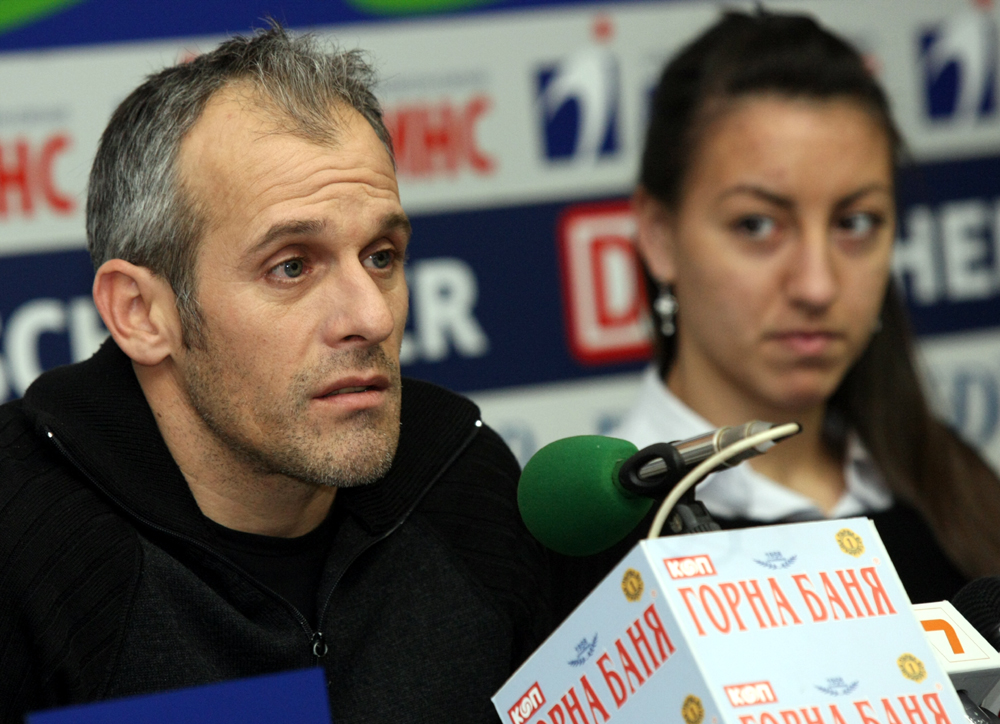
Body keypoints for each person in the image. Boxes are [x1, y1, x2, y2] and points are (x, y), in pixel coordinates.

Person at [0, 26, 549, 721]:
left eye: (381, 256)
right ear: (140, 313)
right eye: (291, 266)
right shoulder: (22, 544)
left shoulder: (465, 487)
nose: (370, 317)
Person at [554, 9, 1000, 619]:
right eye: (757, 225)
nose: (817, 285)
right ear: (658, 235)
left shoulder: (960, 495)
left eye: (855, 223)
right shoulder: (591, 545)